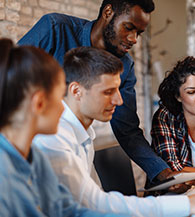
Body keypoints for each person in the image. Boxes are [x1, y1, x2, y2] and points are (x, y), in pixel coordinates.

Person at [33, 46, 195, 216]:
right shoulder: (54, 138)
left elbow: (96, 202)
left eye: (118, 90)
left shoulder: (82, 134)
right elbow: (94, 203)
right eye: (108, 92)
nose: (119, 101)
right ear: (76, 91)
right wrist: (188, 205)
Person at [18, 0, 172, 182]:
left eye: (139, 33)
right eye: (128, 28)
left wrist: (162, 173)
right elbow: (9, 79)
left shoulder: (125, 65)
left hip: (77, 150)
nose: (133, 39)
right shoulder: (55, 29)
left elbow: (127, 128)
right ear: (108, 12)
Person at [0, 38, 125, 217]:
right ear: (39, 102)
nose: (63, 106)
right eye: (59, 96)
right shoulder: (4, 176)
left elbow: (68, 210)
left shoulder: (35, 159)